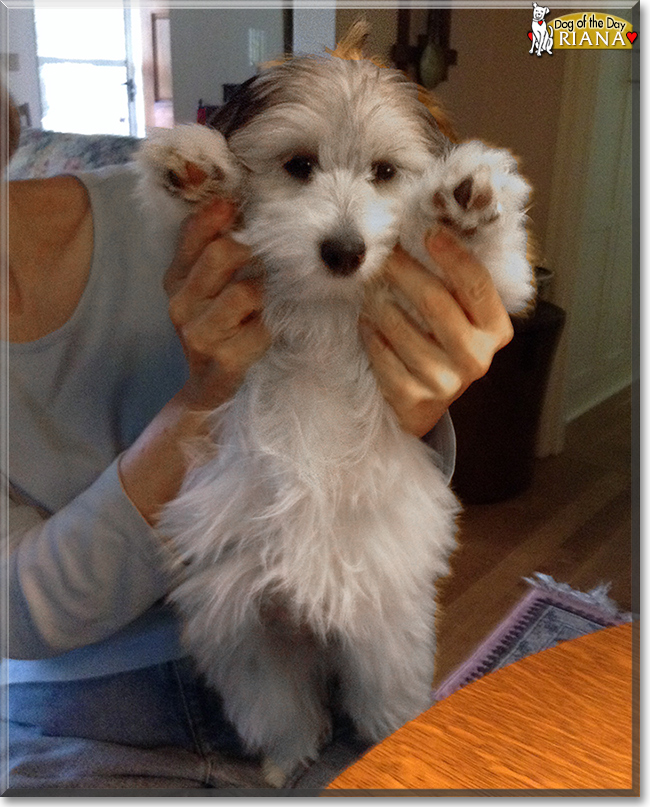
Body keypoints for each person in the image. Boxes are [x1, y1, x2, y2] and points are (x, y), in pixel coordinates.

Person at [2, 84, 514, 791]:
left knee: (394, 690)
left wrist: (426, 391)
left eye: (384, 173)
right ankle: (289, 732)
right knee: (251, 659)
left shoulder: (174, 201)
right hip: (86, 690)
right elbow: (15, 612)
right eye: (300, 166)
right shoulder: (197, 200)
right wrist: (195, 402)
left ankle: (386, 726)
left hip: (360, 528)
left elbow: (485, 291)